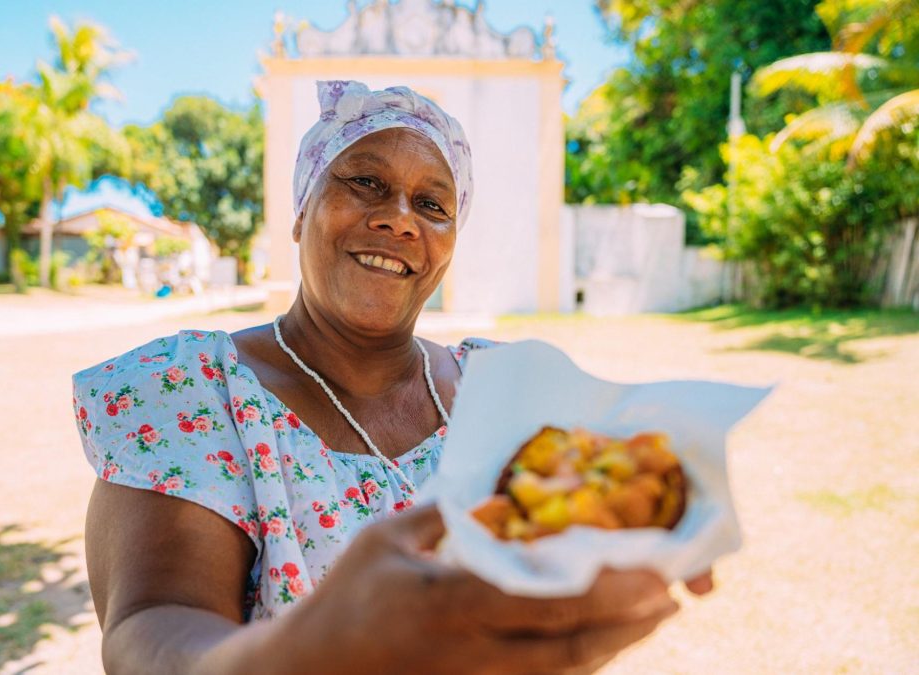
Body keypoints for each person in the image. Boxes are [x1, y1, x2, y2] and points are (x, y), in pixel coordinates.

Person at [74, 80, 712, 674]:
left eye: (432, 204)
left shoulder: (501, 388)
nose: (400, 219)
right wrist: (318, 645)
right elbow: (149, 626)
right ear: (301, 212)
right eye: (365, 182)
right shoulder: (199, 392)